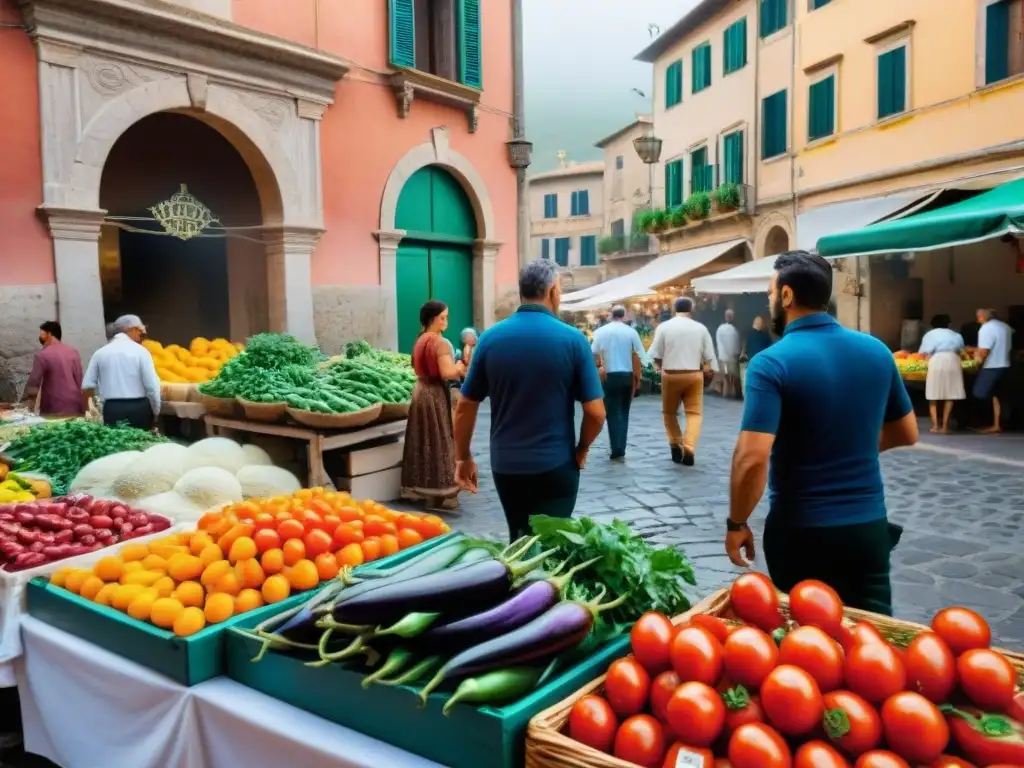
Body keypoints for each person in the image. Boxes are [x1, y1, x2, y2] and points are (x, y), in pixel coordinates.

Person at [726, 251, 918, 616]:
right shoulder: (877, 351)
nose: (769, 301)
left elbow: (752, 457)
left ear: (786, 296)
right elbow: (907, 431)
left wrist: (737, 522)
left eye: (769, 292)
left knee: (806, 641)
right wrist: (855, 447)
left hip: (802, 530)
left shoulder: (771, 362)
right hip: (868, 528)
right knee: (874, 637)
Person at [453, 259, 606, 541]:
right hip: (557, 464)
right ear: (552, 291)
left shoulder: (489, 339)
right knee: (553, 546)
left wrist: (462, 456)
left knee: (519, 540)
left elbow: (464, 406)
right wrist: (582, 448)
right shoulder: (573, 340)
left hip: (506, 465)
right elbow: (596, 413)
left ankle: (516, 584)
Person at [401, 301, 465, 511]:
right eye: (442, 317)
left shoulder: (419, 340)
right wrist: (459, 367)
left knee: (421, 440)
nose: (446, 321)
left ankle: (420, 490)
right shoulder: (441, 342)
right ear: (432, 319)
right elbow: (447, 373)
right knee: (439, 440)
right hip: (434, 393)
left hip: (420, 391)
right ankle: (442, 493)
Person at [648, 296, 718, 466]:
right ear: (691, 309)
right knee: (694, 414)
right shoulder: (700, 328)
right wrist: (710, 371)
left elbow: (655, 354)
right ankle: (689, 447)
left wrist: (661, 367)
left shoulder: (664, 327)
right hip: (694, 375)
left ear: (674, 308)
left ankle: (675, 443)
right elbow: (710, 357)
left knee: (670, 413)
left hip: (671, 375)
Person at [82, 315, 161, 430]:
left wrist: (90, 411)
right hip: (139, 408)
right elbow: (152, 386)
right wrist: (156, 411)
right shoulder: (141, 352)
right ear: (131, 329)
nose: (141, 337)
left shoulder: (100, 353)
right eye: (139, 332)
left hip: (112, 409)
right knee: (141, 443)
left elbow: (87, 386)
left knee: (117, 444)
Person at [591, 305, 647, 460]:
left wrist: (598, 366)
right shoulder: (631, 332)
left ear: (611, 315)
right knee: (624, 411)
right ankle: (620, 446)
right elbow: (642, 354)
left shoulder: (600, 332)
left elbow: (592, 352)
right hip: (627, 376)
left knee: (612, 411)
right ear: (624, 315)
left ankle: (616, 447)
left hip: (609, 375)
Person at [21, 321, 85, 416]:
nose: (40, 338)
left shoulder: (42, 355)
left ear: (49, 334)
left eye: (41, 335)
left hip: (53, 406)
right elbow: (79, 379)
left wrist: (28, 403)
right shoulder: (73, 352)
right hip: (74, 404)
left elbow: (34, 381)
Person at [919, 314, 966, 433]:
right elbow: (962, 351)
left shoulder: (929, 335)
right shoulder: (956, 335)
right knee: (950, 394)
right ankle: (945, 426)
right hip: (953, 360)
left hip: (936, 360)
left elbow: (924, 353)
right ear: (949, 324)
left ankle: (935, 425)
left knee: (933, 394)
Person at [972, 308, 1013, 434]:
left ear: (981, 317)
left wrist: (977, 362)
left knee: (979, 394)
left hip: (992, 366)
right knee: (997, 396)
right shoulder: (1005, 326)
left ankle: (985, 422)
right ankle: (997, 424)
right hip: (1005, 364)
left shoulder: (986, 328)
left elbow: (985, 350)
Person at [740, 316, 773, 398]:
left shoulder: (750, 335)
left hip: (752, 363)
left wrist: (743, 354)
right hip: (763, 364)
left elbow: (746, 348)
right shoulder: (766, 336)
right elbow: (770, 349)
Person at [715, 309, 742, 398]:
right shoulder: (734, 330)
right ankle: (734, 395)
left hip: (723, 358)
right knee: (733, 378)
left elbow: (718, 342)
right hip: (732, 358)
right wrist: (737, 354)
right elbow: (736, 345)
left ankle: (725, 395)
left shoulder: (720, 328)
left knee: (726, 377)